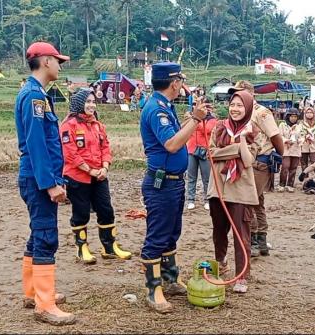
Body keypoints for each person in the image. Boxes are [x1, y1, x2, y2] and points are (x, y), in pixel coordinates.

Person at [139, 62, 208, 313]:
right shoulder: (156, 109)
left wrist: (192, 119)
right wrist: (196, 120)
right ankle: (153, 289)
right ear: (174, 82)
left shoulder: (165, 106)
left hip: (173, 183)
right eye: (180, 80)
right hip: (161, 184)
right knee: (157, 236)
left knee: (171, 233)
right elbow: (171, 143)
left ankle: (170, 279)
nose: (182, 84)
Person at [15, 42, 75, 326]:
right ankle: (45, 304)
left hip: (37, 177)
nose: (60, 66)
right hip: (40, 179)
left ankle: (33, 293)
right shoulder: (34, 97)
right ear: (46, 61)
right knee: (46, 236)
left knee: (37, 233)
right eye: (58, 61)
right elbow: (37, 144)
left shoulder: (37, 94)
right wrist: (51, 183)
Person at [60, 89, 131, 264]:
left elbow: (105, 148)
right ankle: (81, 248)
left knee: (106, 210)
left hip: (99, 176)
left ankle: (109, 247)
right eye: (88, 102)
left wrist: (105, 167)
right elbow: (70, 153)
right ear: (79, 104)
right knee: (81, 213)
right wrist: (90, 170)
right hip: (77, 176)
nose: (92, 105)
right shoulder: (68, 125)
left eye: (93, 101)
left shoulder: (98, 125)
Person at [207, 90, 258, 294]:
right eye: (233, 105)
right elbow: (211, 153)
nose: (235, 109)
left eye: (240, 106)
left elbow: (247, 160)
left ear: (247, 108)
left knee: (241, 234)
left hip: (241, 191)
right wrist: (235, 149)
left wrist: (242, 142)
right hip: (218, 188)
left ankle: (242, 275)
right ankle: (221, 261)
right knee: (219, 231)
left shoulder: (253, 131)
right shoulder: (219, 127)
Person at [227, 81, 284, 259]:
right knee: (257, 201)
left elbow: (275, 136)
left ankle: (251, 241)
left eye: (240, 93)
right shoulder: (244, 112)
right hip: (248, 160)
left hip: (260, 160)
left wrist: (280, 157)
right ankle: (261, 241)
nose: (237, 98)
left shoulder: (261, 112)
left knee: (248, 202)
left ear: (251, 94)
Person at [184, 99, 217, 211]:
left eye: (207, 107)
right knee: (191, 177)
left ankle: (207, 200)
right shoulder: (192, 118)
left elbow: (207, 130)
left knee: (206, 178)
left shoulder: (212, 120)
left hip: (205, 151)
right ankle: (190, 200)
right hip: (192, 150)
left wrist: (195, 120)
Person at [276, 108, 303, 192]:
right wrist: (286, 140)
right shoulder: (282, 125)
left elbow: (302, 136)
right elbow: (280, 135)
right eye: (291, 116)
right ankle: (282, 184)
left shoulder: (299, 126)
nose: (293, 118)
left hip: (295, 149)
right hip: (286, 149)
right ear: (288, 116)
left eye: (295, 116)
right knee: (285, 167)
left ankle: (290, 184)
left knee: (294, 168)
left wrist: (300, 140)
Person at [299, 106, 315, 171]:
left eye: (311, 112)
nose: (309, 114)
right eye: (307, 112)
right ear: (305, 114)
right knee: (304, 164)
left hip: (314, 146)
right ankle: (305, 178)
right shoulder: (301, 123)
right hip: (304, 147)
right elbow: (299, 135)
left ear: (313, 113)